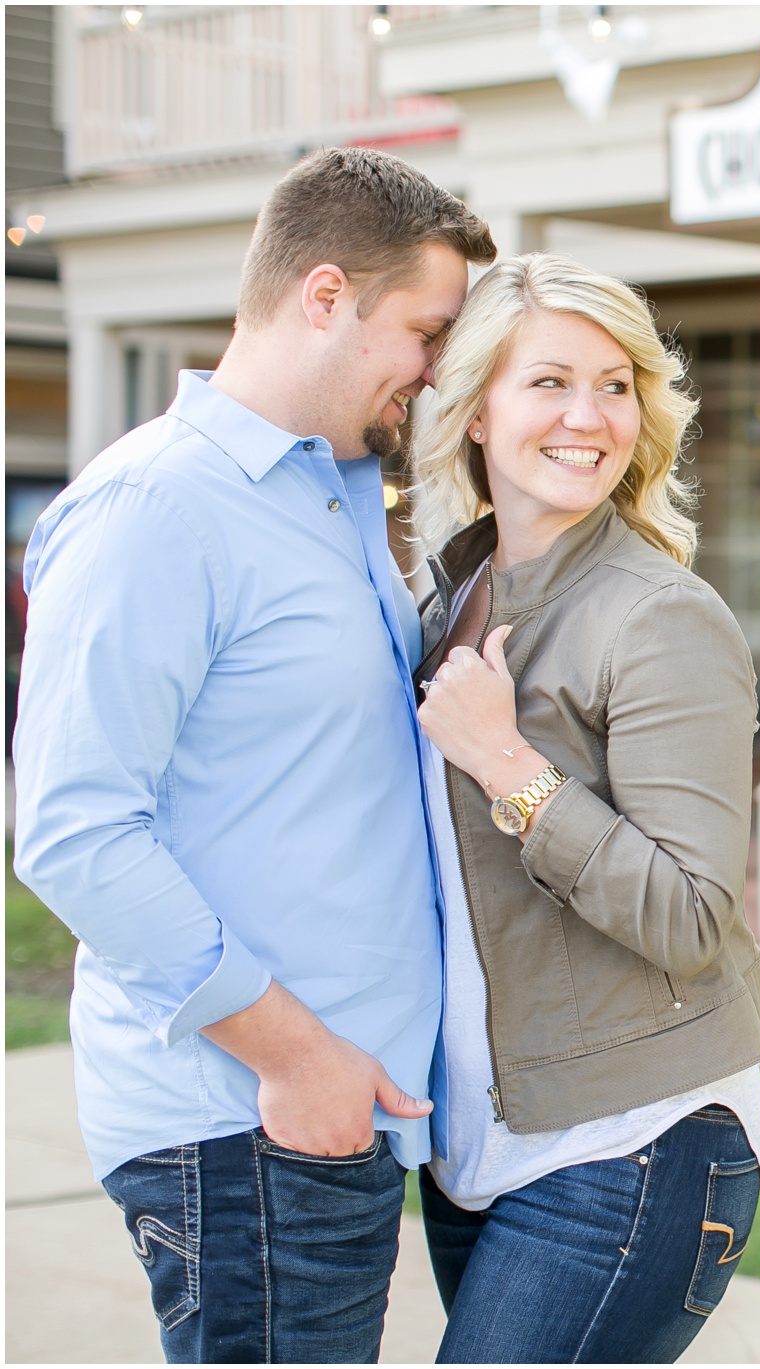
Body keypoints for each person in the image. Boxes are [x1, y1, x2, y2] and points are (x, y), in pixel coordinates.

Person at [10, 147, 495, 1363]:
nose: (436, 372)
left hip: (328, 1121)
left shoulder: (328, 496)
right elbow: (72, 832)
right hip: (251, 1120)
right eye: (425, 332)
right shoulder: (158, 510)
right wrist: (300, 1060)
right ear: (323, 295)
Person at [406, 252, 760, 1363]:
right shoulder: (449, 592)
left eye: (616, 385)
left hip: (630, 1144)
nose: (590, 415)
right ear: (475, 410)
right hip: (479, 1145)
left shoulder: (658, 615)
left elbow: (690, 913)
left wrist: (509, 763)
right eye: (550, 382)